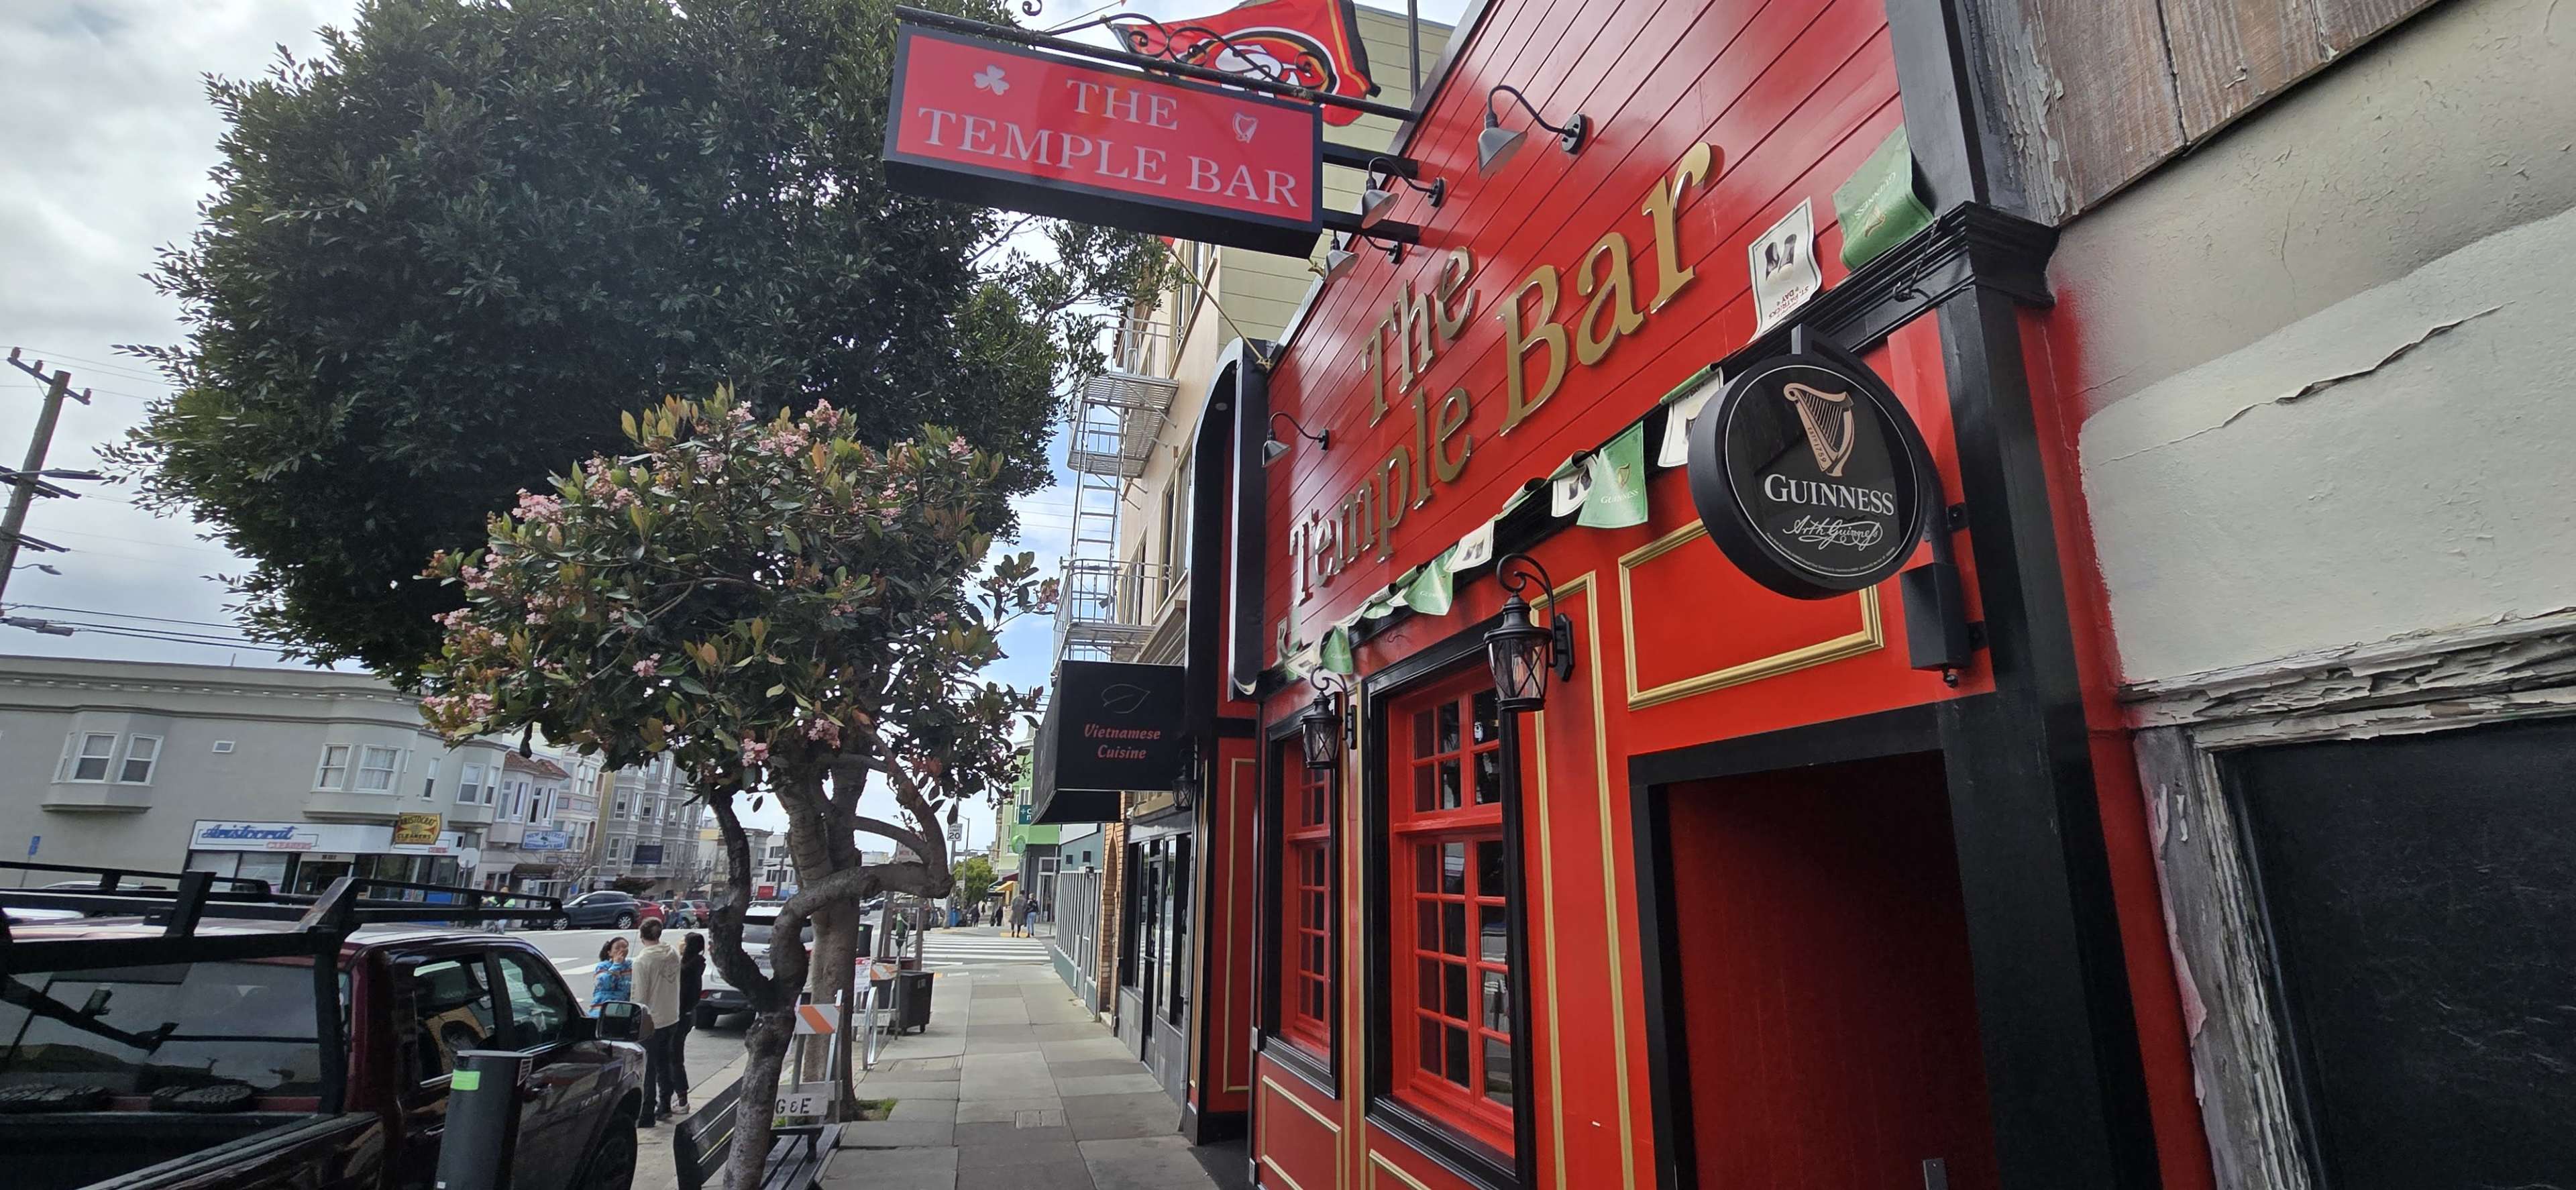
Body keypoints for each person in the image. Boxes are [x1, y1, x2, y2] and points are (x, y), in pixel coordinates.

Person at [631, 919, 682, 1125]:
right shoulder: (673, 953)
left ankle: (646, 1114)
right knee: (664, 1063)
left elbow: (640, 997)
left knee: (648, 1069)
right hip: (672, 1016)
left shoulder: (643, 961)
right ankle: (665, 1105)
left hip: (653, 1020)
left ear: (641, 936)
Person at [673, 933, 706, 1112]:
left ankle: (682, 1099)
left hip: (680, 1016)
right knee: (675, 1057)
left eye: (682, 941)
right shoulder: (696, 964)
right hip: (687, 1015)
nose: (679, 943)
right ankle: (678, 1097)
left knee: (674, 1058)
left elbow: (683, 995)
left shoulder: (686, 969)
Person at [589, 936, 632, 1014]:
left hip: (624, 1009)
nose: (622, 950)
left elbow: (632, 986)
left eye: (625, 947)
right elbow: (605, 984)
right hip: (604, 1009)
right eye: (617, 948)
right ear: (610, 953)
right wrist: (617, 965)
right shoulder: (603, 966)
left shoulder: (630, 966)